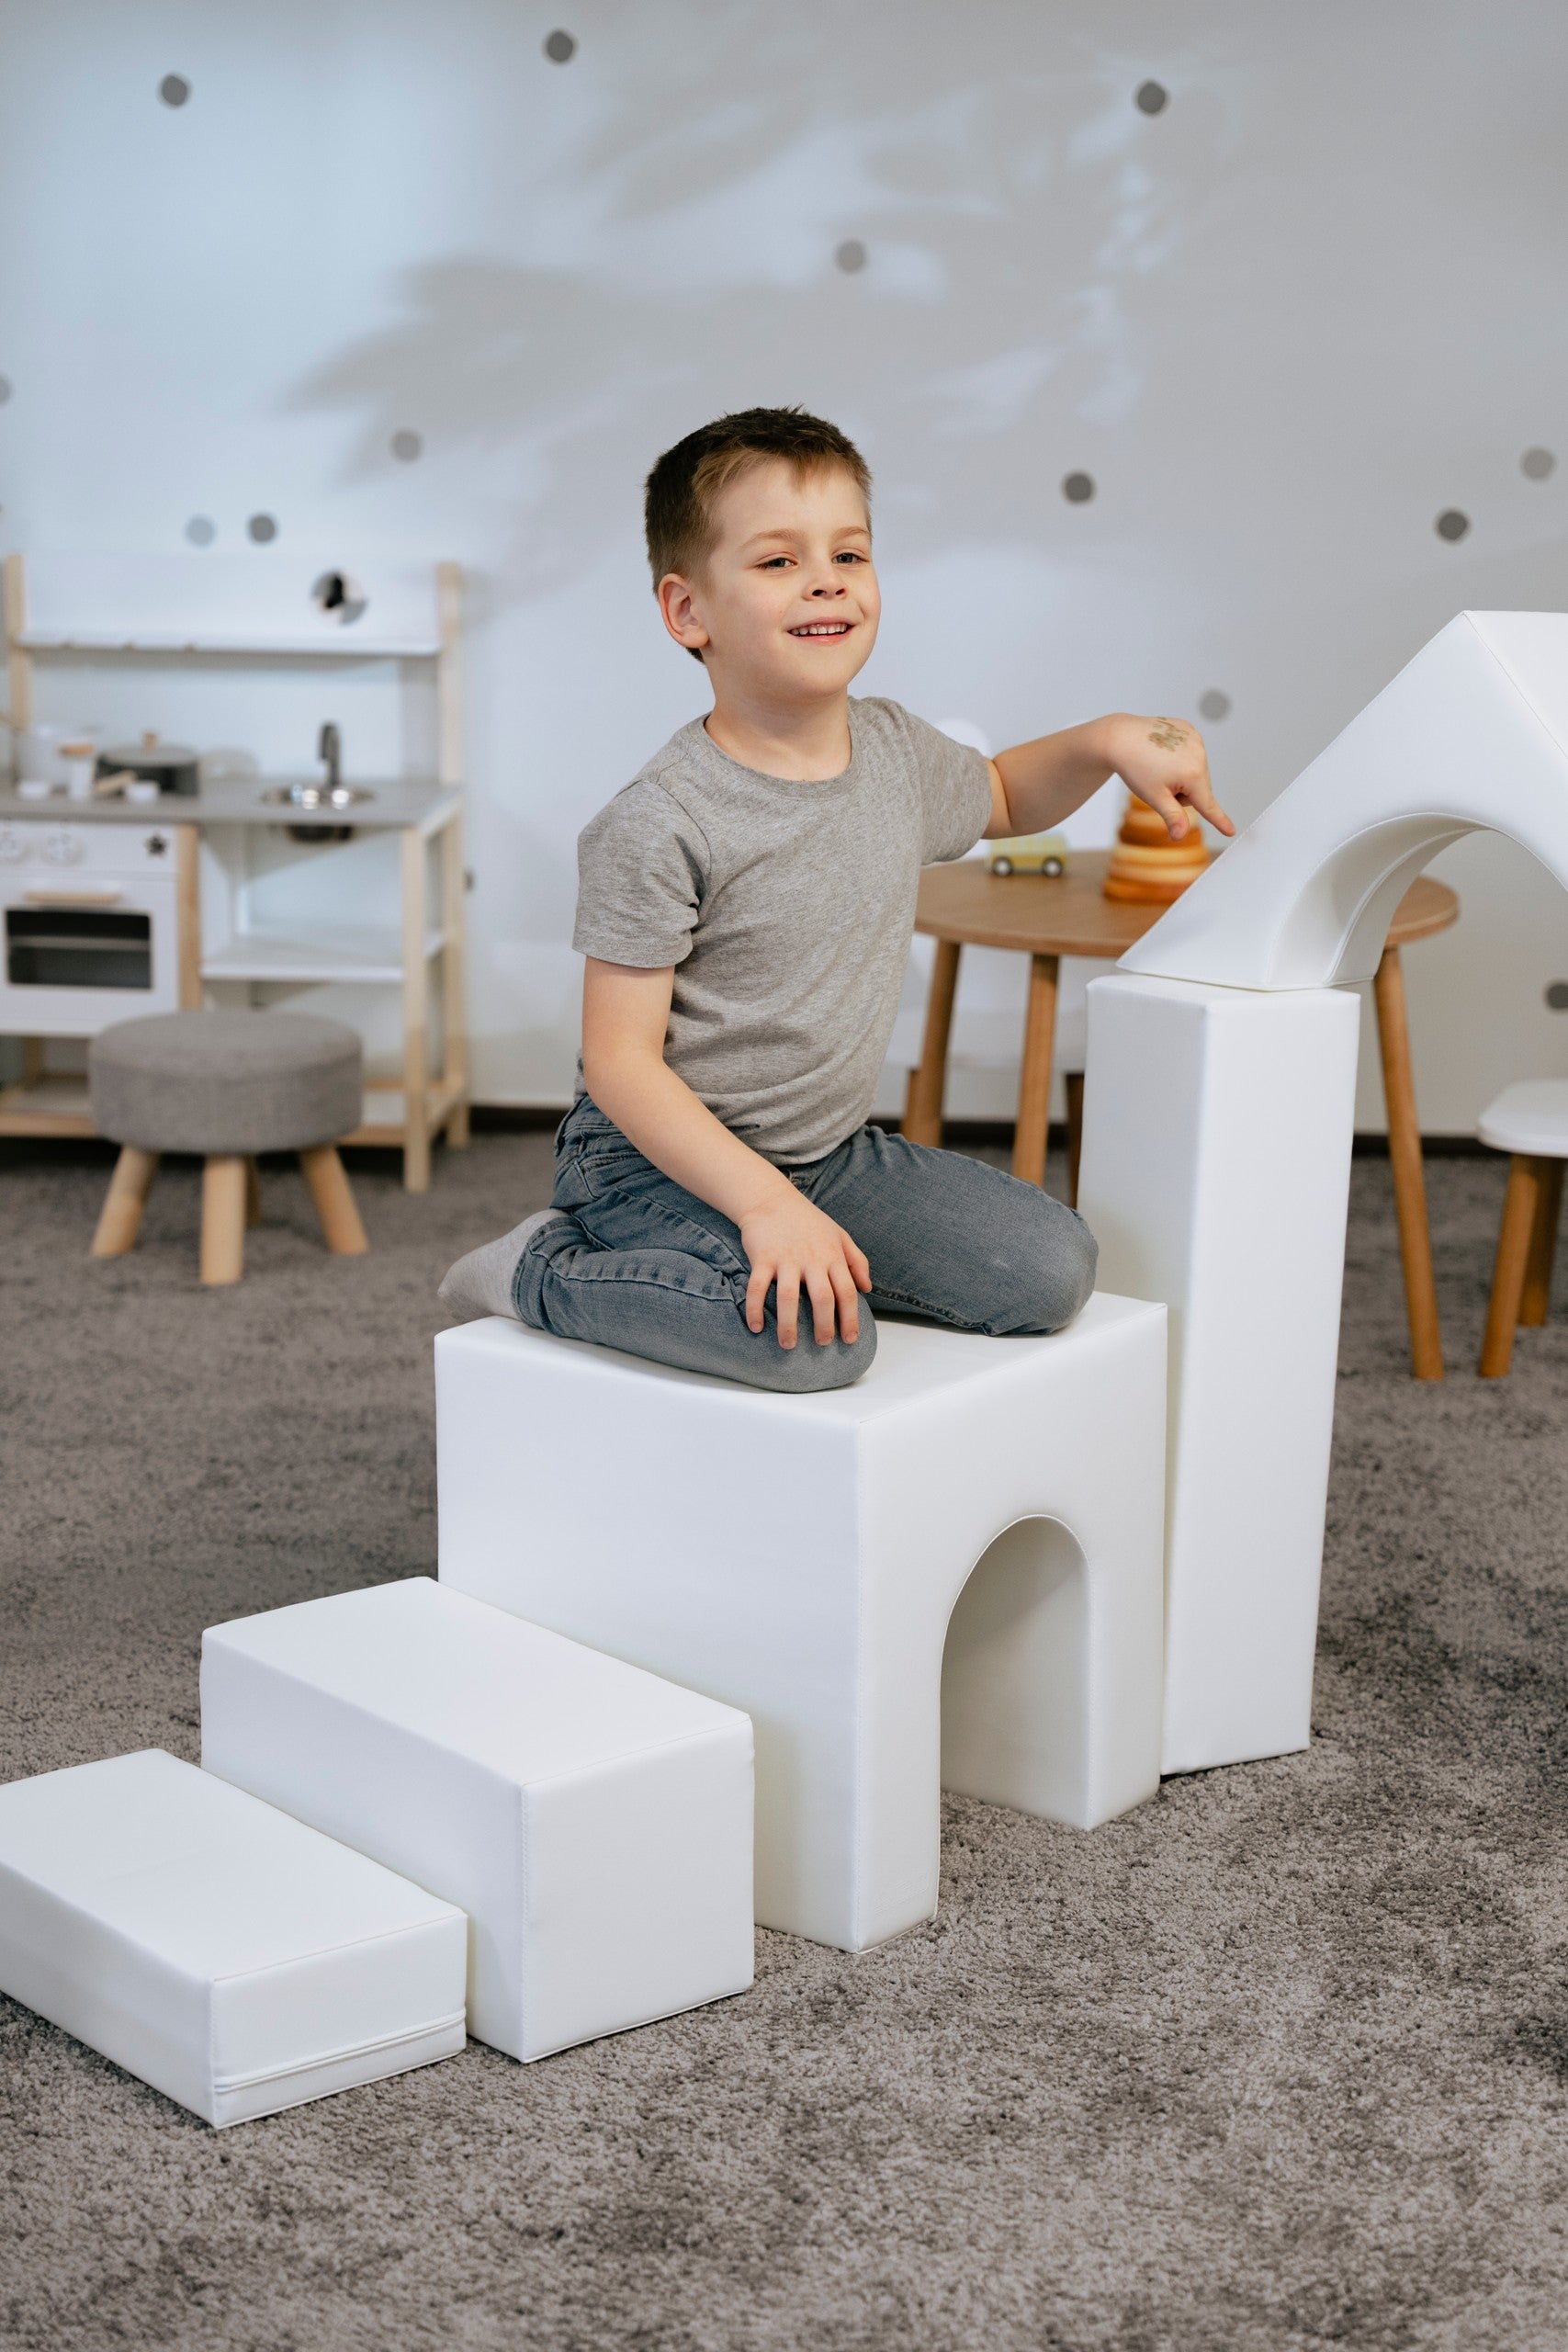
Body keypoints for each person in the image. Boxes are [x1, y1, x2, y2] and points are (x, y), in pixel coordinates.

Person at [440, 407, 1233, 1389]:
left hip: (826, 1153)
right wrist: (763, 1208)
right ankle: (543, 1271)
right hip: (649, 1164)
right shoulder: (660, 820)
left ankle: (777, 1241)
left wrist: (1105, 740)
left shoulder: (893, 752)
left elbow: (1005, 793)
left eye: (848, 554)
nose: (825, 579)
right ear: (690, 613)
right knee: (819, 1341)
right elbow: (619, 1062)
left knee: (1049, 1270)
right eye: (777, 562)